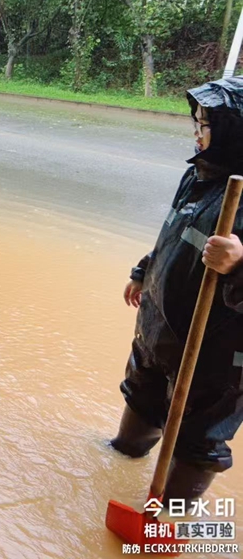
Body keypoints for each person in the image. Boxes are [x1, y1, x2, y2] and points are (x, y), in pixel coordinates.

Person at [111, 77, 243, 502]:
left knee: (196, 438)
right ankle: (120, 461)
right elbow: (171, 234)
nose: (196, 133)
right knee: (142, 402)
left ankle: (171, 514)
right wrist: (143, 271)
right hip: (161, 329)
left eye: (204, 125)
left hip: (218, 357)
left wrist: (240, 264)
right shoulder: (199, 175)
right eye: (197, 122)